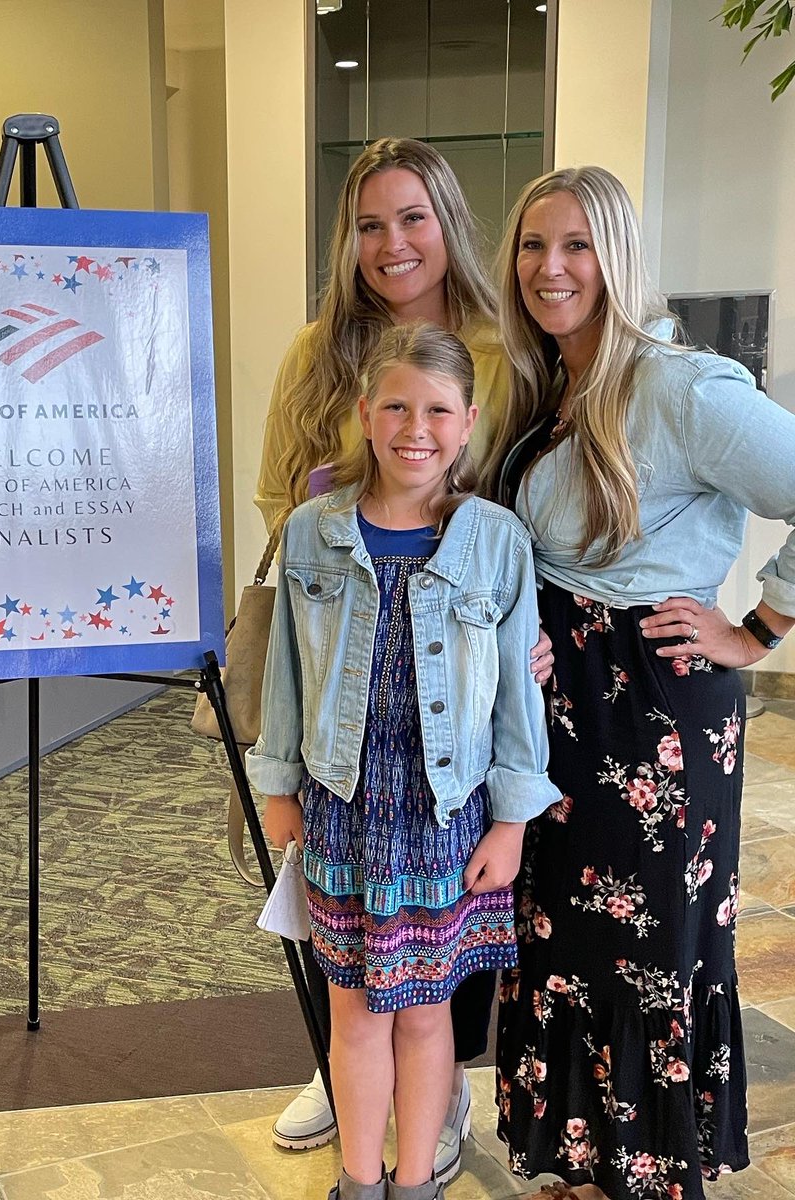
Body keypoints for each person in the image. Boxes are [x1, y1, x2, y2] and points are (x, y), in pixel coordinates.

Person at [483, 165, 795, 1200]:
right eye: (533, 245)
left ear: (617, 258)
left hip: (653, 709)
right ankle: (583, 1165)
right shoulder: (542, 381)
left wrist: (758, 627)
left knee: (650, 951)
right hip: (562, 712)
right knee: (566, 939)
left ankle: (646, 1178)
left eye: (576, 245)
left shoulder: (682, 385)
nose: (551, 267)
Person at [255, 136, 553, 1177]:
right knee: (356, 997)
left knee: (424, 1003)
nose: (392, 243)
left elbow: (513, 528)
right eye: (371, 224)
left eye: (412, 218)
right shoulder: (317, 362)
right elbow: (279, 524)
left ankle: (423, 1140)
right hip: (343, 756)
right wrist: (278, 777)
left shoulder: (499, 347)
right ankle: (358, 1130)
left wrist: (513, 784)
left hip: (452, 748)